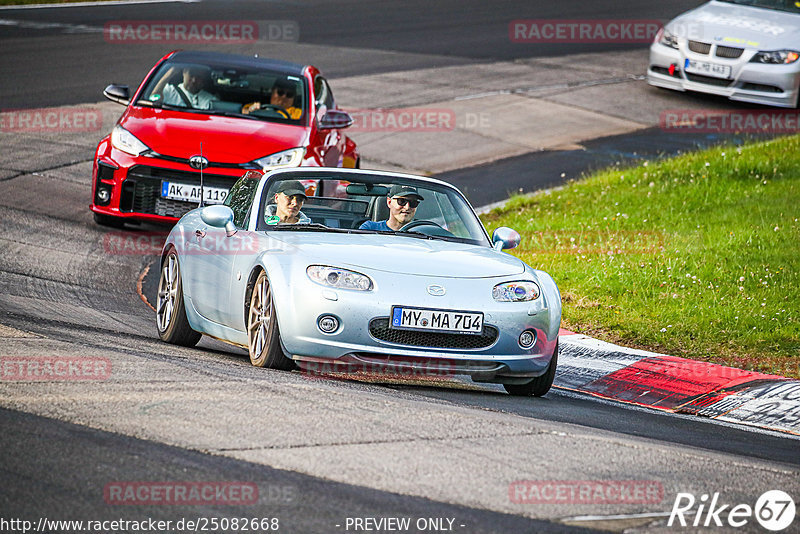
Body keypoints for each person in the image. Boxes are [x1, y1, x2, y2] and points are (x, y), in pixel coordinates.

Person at [359, 185, 424, 231]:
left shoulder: (423, 232)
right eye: (401, 201)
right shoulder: (369, 229)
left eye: (413, 203)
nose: (407, 207)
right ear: (389, 202)